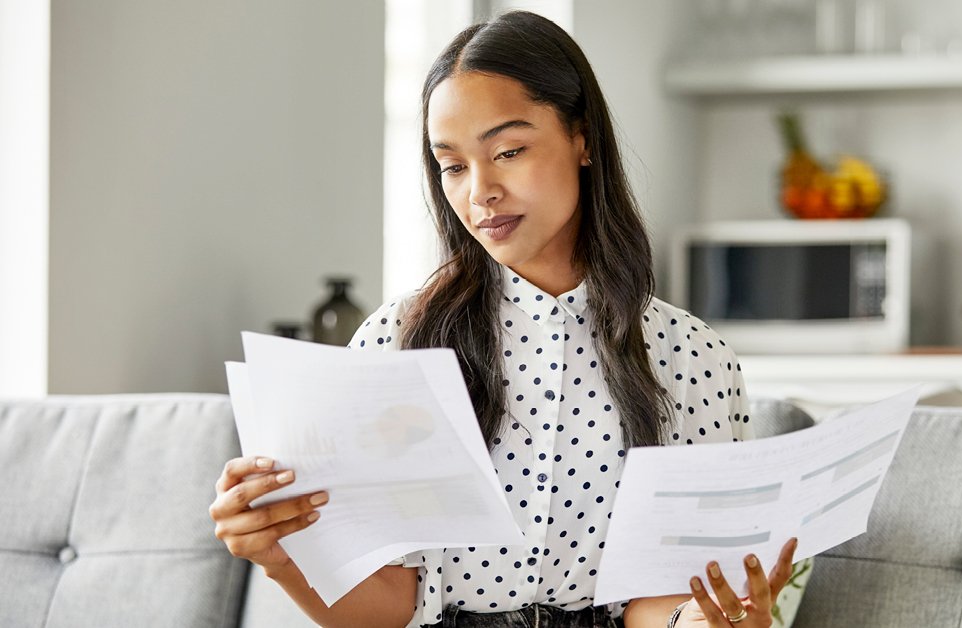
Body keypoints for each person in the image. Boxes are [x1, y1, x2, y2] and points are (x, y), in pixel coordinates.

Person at [209, 10, 801, 628]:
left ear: (583, 138)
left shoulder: (691, 356)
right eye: (453, 166)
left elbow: (657, 603)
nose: (479, 191)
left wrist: (711, 620)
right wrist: (279, 555)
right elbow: (393, 606)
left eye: (509, 151)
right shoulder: (394, 343)